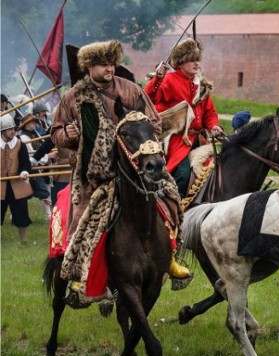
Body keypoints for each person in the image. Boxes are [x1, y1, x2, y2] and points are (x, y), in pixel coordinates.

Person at [50, 40, 190, 301]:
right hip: (93, 173)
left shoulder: (131, 90)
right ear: (89, 66)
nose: (110, 69)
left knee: (170, 200)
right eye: (104, 64)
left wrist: (142, 137)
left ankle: (169, 257)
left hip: (134, 166)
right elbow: (55, 132)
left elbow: (155, 123)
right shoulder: (73, 97)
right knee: (81, 217)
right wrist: (66, 134)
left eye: (112, 63)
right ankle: (82, 274)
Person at [145, 38, 223, 197]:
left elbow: (209, 113)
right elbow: (149, 98)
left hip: (200, 140)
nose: (196, 64)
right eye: (191, 60)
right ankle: (174, 211)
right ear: (181, 62)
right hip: (177, 140)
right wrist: (158, 79)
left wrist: (214, 126)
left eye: (198, 60)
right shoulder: (169, 79)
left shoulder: (201, 84)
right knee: (183, 175)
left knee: (216, 172)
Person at [0, 113, 33, 244]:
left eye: (13, 129)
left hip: (17, 184)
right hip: (0, 185)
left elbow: (26, 162)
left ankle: (23, 241)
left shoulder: (20, 144)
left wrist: (24, 171)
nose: (13, 131)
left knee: (21, 213)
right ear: (2, 131)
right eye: (9, 129)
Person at [18, 114, 52, 221]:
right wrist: (48, 157)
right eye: (32, 122)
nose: (35, 124)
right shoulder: (24, 137)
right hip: (32, 170)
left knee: (40, 193)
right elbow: (30, 157)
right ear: (27, 124)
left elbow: (41, 147)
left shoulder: (34, 134)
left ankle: (15, 216)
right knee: (40, 193)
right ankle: (49, 217)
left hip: (39, 168)